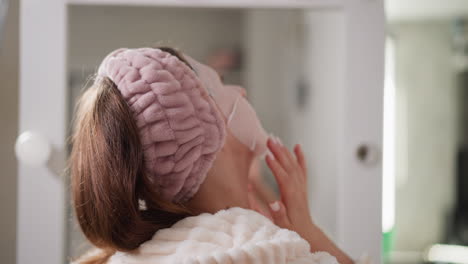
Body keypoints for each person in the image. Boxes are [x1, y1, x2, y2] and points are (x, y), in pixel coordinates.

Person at [69, 47, 360, 264]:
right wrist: (312, 236)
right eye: (219, 84)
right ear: (202, 123)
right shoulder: (269, 252)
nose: (241, 91)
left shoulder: (139, 255)